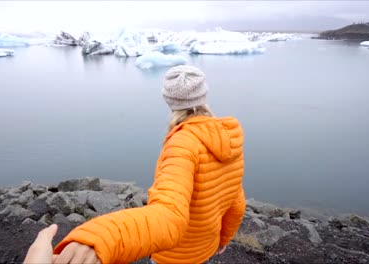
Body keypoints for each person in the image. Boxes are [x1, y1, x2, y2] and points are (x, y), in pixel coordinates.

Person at [25, 65, 246, 264]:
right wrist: (223, 238)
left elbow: (169, 215)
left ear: (170, 100)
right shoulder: (229, 137)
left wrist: (103, 238)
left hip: (174, 255)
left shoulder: (182, 144)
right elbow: (236, 203)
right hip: (206, 246)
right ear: (203, 95)